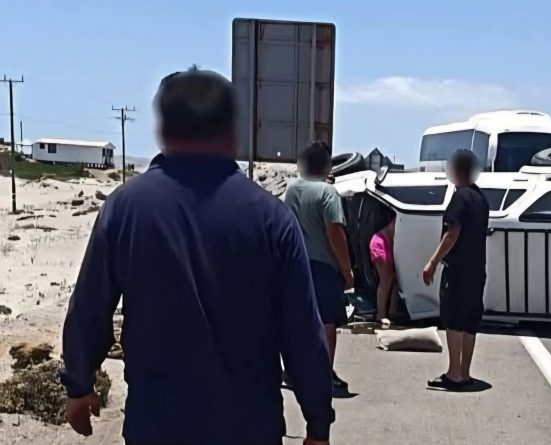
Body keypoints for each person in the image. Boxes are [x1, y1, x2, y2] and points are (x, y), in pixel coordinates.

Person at [60, 68, 333, 445]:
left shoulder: (125, 209)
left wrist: (79, 383)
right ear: (233, 132)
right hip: (249, 427)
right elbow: (302, 331)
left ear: (164, 130)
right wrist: (318, 422)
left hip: (156, 426)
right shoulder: (272, 218)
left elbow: (90, 306)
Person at [284, 141, 355, 393]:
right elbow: (335, 232)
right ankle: (324, 373)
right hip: (323, 266)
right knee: (327, 323)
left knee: (297, 320)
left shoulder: (291, 190)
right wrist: (347, 272)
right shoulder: (328, 194)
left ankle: (292, 371)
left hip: (294, 264)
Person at [422, 149, 489, 390]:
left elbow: (452, 233)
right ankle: (465, 372)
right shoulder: (481, 199)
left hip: (458, 271)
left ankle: (454, 373)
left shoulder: (460, 197)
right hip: (477, 270)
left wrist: (432, 262)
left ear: (458, 170)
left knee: (454, 320)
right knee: (471, 322)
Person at [370, 212, 399, 323]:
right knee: (386, 280)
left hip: (385, 243)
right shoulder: (399, 221)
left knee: (396, 281)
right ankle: (381, 314)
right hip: (380, 243)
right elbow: (393, 236)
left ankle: (392, 312)